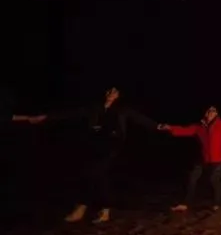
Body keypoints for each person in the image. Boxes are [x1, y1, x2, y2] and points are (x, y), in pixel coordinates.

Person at [31, 86, 157, 223]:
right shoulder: (95, 108)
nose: (110, 94)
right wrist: (46, 117)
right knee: (92, 174)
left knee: (96, 172)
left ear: (119, 95)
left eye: (114, 92)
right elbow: (71, 113)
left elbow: (140, 119)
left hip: (112, 145)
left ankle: (87, 208)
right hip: (94, 145)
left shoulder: (122, 109)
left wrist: (159, 126)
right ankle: (94, 209)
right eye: (109, 91)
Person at [159, 106, 221, 211]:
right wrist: (170, 128)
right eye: (210, 111)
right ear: (205, 114)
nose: (212, 113)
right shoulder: (199, 127)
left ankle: (216, 203)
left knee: (214, 180)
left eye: (214, 111)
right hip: (203, 158)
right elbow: (184, 130)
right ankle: (185, 204)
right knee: (191, 178)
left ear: (216, 114)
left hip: (217, 159)